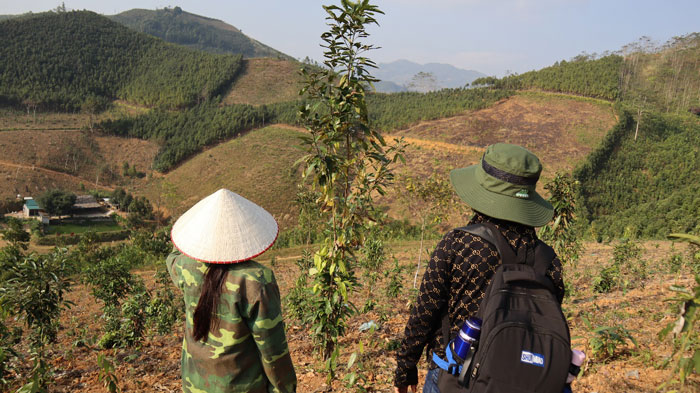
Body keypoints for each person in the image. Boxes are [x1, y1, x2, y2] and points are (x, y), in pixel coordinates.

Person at [393, 143, 565, 393]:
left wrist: (405, 367)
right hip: (523, 381)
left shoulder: (459, 244)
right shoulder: (549, 262)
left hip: (454, 378)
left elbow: (425, 311)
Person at [166, 189, 297, 393]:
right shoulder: (256, 280)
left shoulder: (184, 267)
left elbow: (174, 254)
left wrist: (190, 233)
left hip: (195, 385)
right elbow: (273, 352)